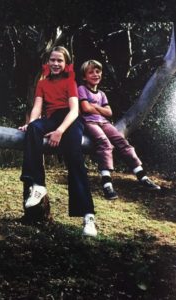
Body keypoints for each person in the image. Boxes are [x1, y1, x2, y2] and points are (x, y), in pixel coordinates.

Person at [18, 46, 97, 236]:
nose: (55, 63)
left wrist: (59, 131)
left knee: (75, 160)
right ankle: (38, 185)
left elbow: (74, 110)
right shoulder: (42, 83)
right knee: (34, 129)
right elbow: (37, 107)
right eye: (52, 60)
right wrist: (31, 124)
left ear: (66, 64)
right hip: (52, 117)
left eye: (59, 60)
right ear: (47, 62)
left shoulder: (70, 81)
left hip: (70, 121)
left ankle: (88, 217)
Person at [78, 59, 161, 200]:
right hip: (89, 122)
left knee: (122, 142)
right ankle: (107, 184)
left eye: (98, 71)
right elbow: (85, 108)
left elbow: (109, 112)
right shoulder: (82, 89)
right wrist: (100, 109)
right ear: (84, 76)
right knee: (104, 143)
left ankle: (142, 176)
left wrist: (95, 108)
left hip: (104, 122)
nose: (95, 74)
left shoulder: (102, 94)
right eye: (91, 72)